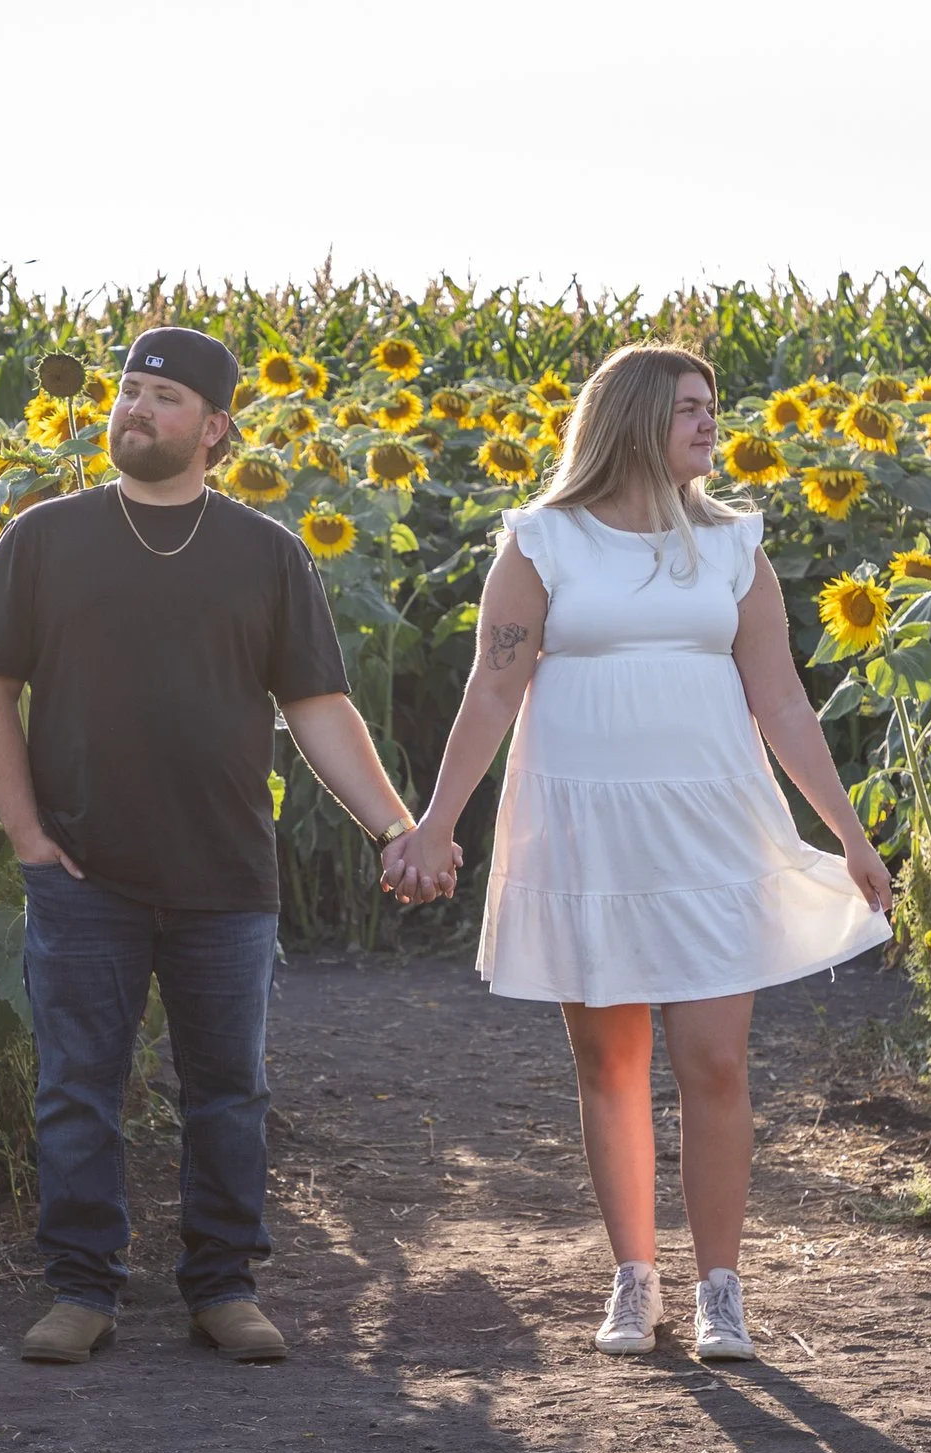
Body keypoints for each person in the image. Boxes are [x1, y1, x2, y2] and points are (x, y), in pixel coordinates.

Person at [383, 342, 893, 1362]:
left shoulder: (734, 545)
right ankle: (632, 1276)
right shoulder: (541, 542)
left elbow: (782, 699)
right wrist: (436, 821)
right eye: (688, 409)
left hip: (712, 827)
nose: (710, 425)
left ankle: (719, 1287)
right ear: (630, 419)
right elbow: (491, 688)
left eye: (713, 407)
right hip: (587, 831)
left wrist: (848, 833)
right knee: (609, 1061)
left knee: (715, 1058)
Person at [0, 326, 437, 1365]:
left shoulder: (266, 553)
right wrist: (28, 836)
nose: (136, 409)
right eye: (129, 390)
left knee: (229, 1089)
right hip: (82, 871)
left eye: (164, 398)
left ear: (214, 428)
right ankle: (81, 1288)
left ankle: (222, 1284)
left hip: (224, 874)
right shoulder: (45, 537)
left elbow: (317, 709)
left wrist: (394, 826)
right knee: (78, 1085)